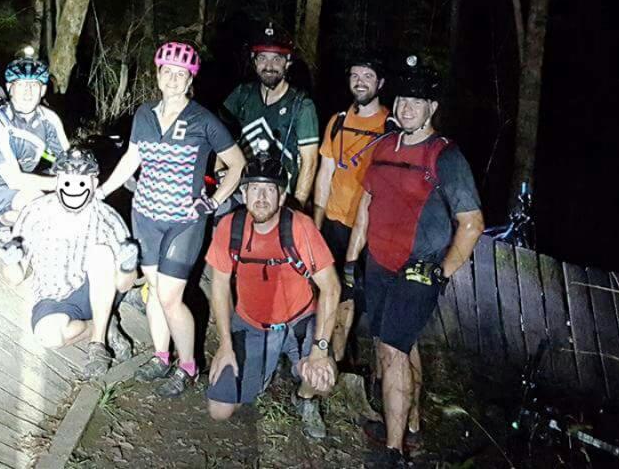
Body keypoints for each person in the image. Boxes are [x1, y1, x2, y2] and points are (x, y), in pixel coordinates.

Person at [345, 56, 484, 464]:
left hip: (417, 270)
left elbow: (472, 222)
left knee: (391, 349)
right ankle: (409, 423)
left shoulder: (446, 156)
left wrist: (442, 271)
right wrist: (354, 262)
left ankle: (393, 451)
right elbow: (367, 206)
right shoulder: (385, 146)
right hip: (379, 264)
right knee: (397, 346)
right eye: (403, 98)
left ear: (432, 108)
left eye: (417, 101)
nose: (406, 107)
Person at [100, 41, 246, 397]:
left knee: (169, 296)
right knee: (153, 293)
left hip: (185, 221)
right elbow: (131, 160)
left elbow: (237, 164)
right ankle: (161, 357)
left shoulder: (203, 120)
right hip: (145, 216)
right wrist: (102, 191)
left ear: (190, 79)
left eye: (181, 74)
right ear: (158, 74)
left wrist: (212, 202)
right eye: (168, 72)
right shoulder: (144, 115)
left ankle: (188, 365)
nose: (174, 79)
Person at [206, 155, 340, 439]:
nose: (262, 196)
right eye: (254, 188)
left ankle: (304, 397)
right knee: (219, 409)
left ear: (282, 195)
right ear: (243, 193)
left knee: (322, 380)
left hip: (298, 320)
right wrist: (225, 346)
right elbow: (218, 287)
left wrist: (320, 349)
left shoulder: (300, 227)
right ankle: (265, 368)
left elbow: (331, 286)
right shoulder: (230, 227)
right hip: (252, 322)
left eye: (271, 189)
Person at [14, 148, 138, 378]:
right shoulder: (35, 212)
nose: (73, 188)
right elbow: (15, 276)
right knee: (48, 336)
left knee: (101, 253)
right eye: (67, 180)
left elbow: (123, 283)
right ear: (57, 180)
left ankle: (98, 344)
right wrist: (10, 260)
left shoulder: (107, 216)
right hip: (55, 296)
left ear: (93, 182)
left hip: (98, 287)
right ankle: (103, 322)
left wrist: (128, 266)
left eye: (81, 181)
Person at [313, 51, 391, 362]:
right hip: (333, 221)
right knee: (330, 292)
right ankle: (325, 359)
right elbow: (324, 174)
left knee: (351, 298)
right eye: (355, 76)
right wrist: (316, 224)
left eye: (368, 76)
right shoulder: (338, 122)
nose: (360, 82)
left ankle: (337, 362)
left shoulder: (391, 125)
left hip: (370, 230)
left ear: (381, 83)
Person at [0, 49, 69, 283]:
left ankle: (2, 223)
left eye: (34, 85)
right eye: (20, 84)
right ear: (9, 87)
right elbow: (15, 181)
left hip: (20, 191)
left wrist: (77, 177)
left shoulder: (48, 119)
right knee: (38, 198)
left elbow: (67, 160)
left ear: (43, 89)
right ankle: (10, 229)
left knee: (16, 277)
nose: (27, 91)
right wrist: (62, 184)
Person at [221, 23, 319, 209]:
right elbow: (220, 137)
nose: (269, 66)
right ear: (254, 61)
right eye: (263, 58)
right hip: (241, 194)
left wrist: (296, 205)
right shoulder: (242, 94)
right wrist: (220, 174)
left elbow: (310, 161)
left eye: (277, 59)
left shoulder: (302, 106)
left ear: (288, 62)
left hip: (279, 198)